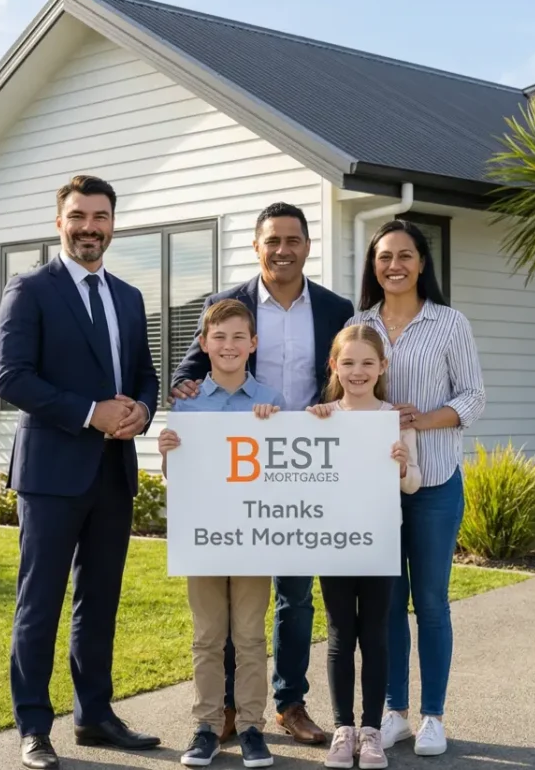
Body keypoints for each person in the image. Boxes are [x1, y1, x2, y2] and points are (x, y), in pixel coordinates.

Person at [0, 175, 162, 770]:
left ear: (114, 223)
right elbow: (11, 378)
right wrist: (92, 413)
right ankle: (34, 728)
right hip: (51, 473)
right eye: (79, 216)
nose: (90, 227)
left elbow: (146, 375)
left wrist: (141, 410)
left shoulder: (130, 296)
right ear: (60, 222)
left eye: (101, 217)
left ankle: (94, 716)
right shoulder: (30, 289)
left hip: (114, 471)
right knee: (39, 601)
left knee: (100, 599)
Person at [171, 202, 353, 746]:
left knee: (295, 595)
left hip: (302, 467)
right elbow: (190, 369)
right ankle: (228, 706)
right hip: (239, 472)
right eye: (272, 240)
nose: (282, 249)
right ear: (257, 246)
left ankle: (288, 703)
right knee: (232, 595)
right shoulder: (228, 305)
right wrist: (183, 392)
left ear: (306, 246)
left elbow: (348, 373)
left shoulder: (334, 307)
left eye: (293, 239)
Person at [346, 219, 485, 758]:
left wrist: (419, 421)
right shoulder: (358, 323)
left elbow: (473, 397)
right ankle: (394, 712)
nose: (394, 265)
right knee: (386, 604)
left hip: (436, 480)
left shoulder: (449, 324)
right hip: (371, 486)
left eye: (405, 255)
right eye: (384, 256)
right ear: (373, 265)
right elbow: (338, 389)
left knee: (430, 602)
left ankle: (433, 716)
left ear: (423, 263)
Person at [160, 299, 283, 769]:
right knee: (208, 637)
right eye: (219, 337)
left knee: (250, 637)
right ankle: (206, 728)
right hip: (205, 537)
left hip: (255, 537)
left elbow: (289, 470)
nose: (229, 346)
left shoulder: (272, 402)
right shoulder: (187, 404)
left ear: (253, 343)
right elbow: (180, 475)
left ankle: (252, 727)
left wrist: (281, 430)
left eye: (238, 337)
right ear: (203, 343)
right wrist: (169, 452)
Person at [306, 324, 421, 770]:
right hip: (333, 541)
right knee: (340, 634)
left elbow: (413, 484)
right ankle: (343, 728)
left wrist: (401, 465)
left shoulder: (394, 419)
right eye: (348, 362)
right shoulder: (318, 415)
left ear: (382, 367)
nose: (358, 371)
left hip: (378, 538)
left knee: (374, 634)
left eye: (367, 363)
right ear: (334, 365)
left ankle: (371, 730)